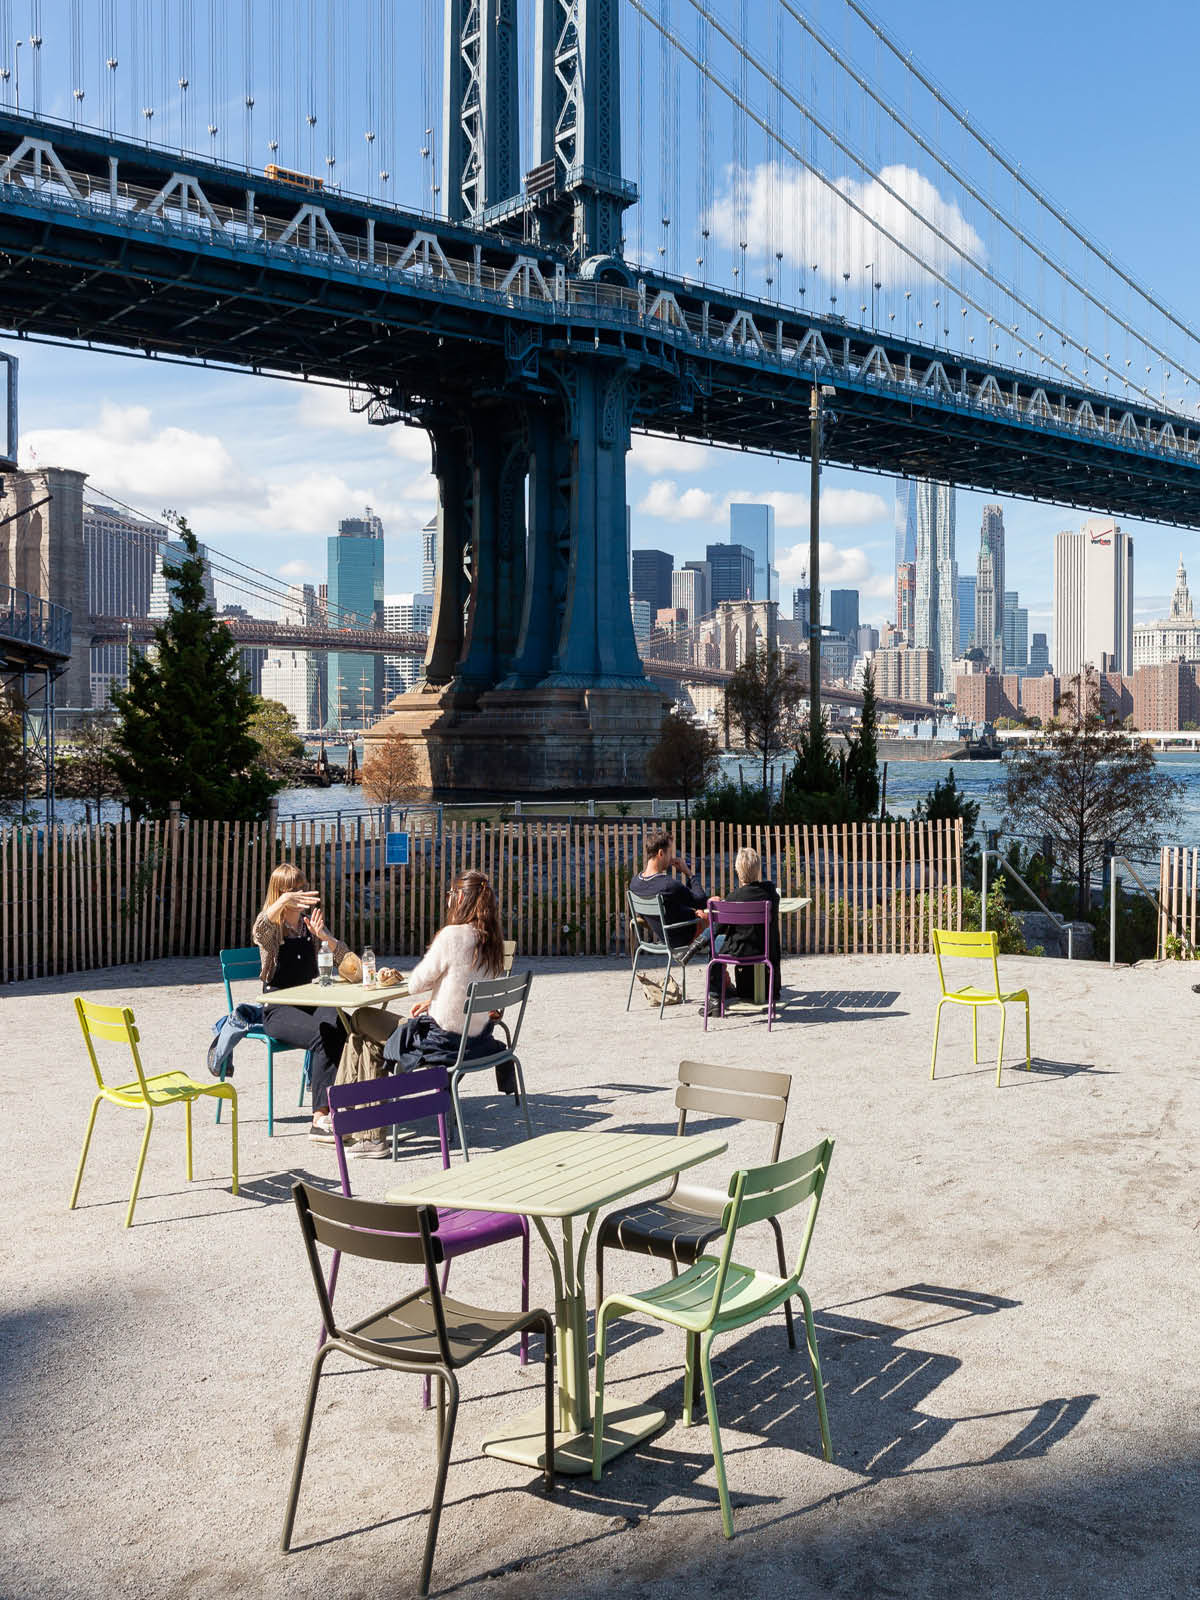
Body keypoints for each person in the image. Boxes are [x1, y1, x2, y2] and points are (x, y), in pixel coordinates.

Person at [338, 870, 510, 1155]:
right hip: (475, 1039)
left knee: (362, 1019)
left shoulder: (453, 936)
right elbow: (469, 985)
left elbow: (417, 981)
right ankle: (354, 1125)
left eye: (450, 895)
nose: (447, 901)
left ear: (459, 899)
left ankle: (356, 1126)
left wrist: (392, 977)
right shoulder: (492, 940)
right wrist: (435, 1001)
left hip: (442, 1042)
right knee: (365, 1039)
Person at [251, 862, 349, 1143]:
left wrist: (325, 938)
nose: (301, 895)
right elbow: (259, 930)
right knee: (324, 1035)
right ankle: (319, 1119)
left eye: (302, 888)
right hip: (278, 1009)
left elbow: (343, 958)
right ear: (280, 893)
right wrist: (282, 901)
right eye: (293, 890)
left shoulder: (308, 925)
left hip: (310, 1001)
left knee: (344, 1024)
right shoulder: (273, 930)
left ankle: (344, 1101)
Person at [713, 846, 782, 1003]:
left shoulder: (732, 898)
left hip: (740, 950)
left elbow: (720, 929)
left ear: (737, 871)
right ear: (758, 869)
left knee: (713, 942)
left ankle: (715, 998)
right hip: (764, 949)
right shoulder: (770, 894)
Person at [628, 831, 710, 950]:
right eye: (670, 852)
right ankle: (717, 967)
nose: (671, 857)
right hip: (683, 936)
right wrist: (689, 874)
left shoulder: (634, 883)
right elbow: (701, 901)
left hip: (664, 937)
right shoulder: (669, 885)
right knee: (715, 906)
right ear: (661, 853)